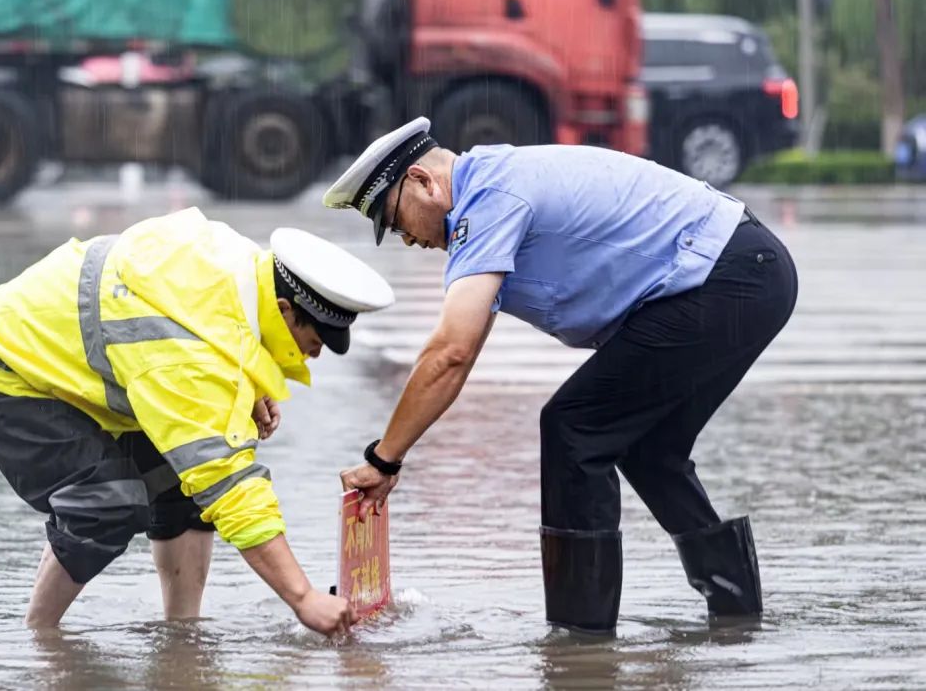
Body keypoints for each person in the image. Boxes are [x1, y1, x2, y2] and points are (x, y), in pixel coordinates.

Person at [324, 117, 798, 633]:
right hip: (747, 273)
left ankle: (582, 640)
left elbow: (449, 353)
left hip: (731, 276)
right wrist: (392, 455)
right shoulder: (492, 188)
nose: (406, 241)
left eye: (396, 223)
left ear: (422, 180)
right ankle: (734, 613)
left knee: (574, 427)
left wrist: (384, 458)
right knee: (645, 447)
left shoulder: (490, 200)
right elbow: (461, 355)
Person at [0, 208, 394, 634]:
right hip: (1, 367)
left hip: (73, 360)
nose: (313, 354)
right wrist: (303, 598)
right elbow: (230, 485)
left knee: (183, 485)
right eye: (312, 341)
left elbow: (215, 326)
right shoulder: (185, 357)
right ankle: (40, 635)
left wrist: (248, 386)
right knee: (107, 504)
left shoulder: (244, 267)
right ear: (284, 309)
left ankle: (182, 635)